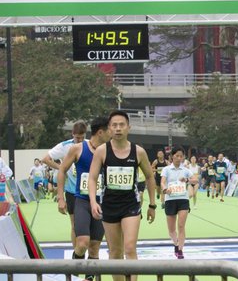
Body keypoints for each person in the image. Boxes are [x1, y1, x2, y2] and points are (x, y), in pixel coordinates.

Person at [88, 110, 157, 281]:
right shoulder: (101, 151)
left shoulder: (138, 152)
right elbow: (92, 178)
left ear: (128, 128)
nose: (118, 128)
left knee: (130, 247)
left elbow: (150, 177)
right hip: (109, 206)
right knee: (115, 252)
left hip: (131, 206)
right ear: (109, 129)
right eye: (114, 125)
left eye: (121, 125)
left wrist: (152, 204)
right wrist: (93, 202)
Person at [57, 117, 111, 280]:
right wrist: (60, 197)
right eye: (109, 130)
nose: (112, 133)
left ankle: (89, 278)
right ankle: (73, 276)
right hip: (82, 201)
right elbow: (62, 170)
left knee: (94, 247)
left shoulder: (109, 150)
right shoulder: (77, 149)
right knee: (82, 243)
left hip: (101, 203)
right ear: (100, 132)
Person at [42, 121, 88, 246]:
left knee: (88, 225)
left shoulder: (89, 145)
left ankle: (88, 251)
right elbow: (45, 159)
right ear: (72, 134)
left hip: (87, 191)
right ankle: (76, 253)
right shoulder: (64, 146)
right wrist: (62, 168)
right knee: (75, 224)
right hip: (72, 191)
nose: (79, 140)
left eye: (82, 137)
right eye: (77, 138)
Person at [161, 146, 192, 259]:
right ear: (172, 156)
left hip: (183, 199)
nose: (179, 158)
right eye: (177, 156)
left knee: (181, 226)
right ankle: (176, 243)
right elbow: (163, 182)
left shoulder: (185, 170)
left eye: (181, 156)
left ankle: (180, 249)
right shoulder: (166, 169)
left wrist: (187, 180)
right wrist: (165, 189)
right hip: (170, 200)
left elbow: (195, 179)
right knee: (171, 229)